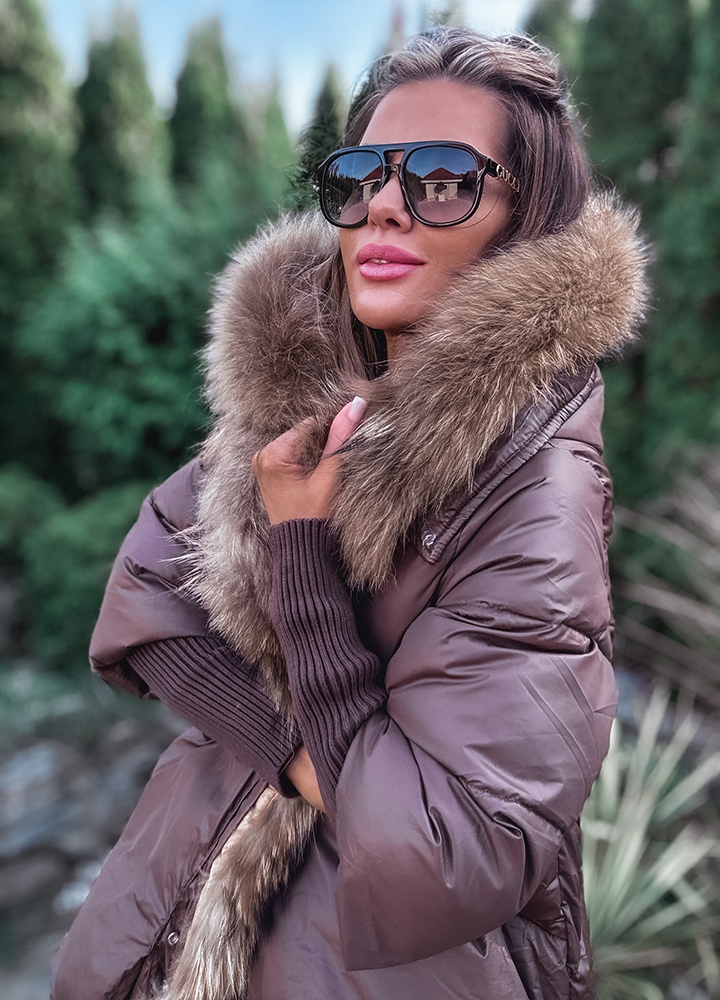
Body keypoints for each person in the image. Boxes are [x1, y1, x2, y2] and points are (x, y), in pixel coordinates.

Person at [51, 27, 648, 1000]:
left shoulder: (538, 487)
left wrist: (300, 552)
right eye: (361, 175)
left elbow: (445, 847)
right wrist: (302, 753)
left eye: (442, 179)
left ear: (526, 220)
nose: (383, 205)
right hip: (179, 910)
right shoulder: (311, 396)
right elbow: (148, 588)